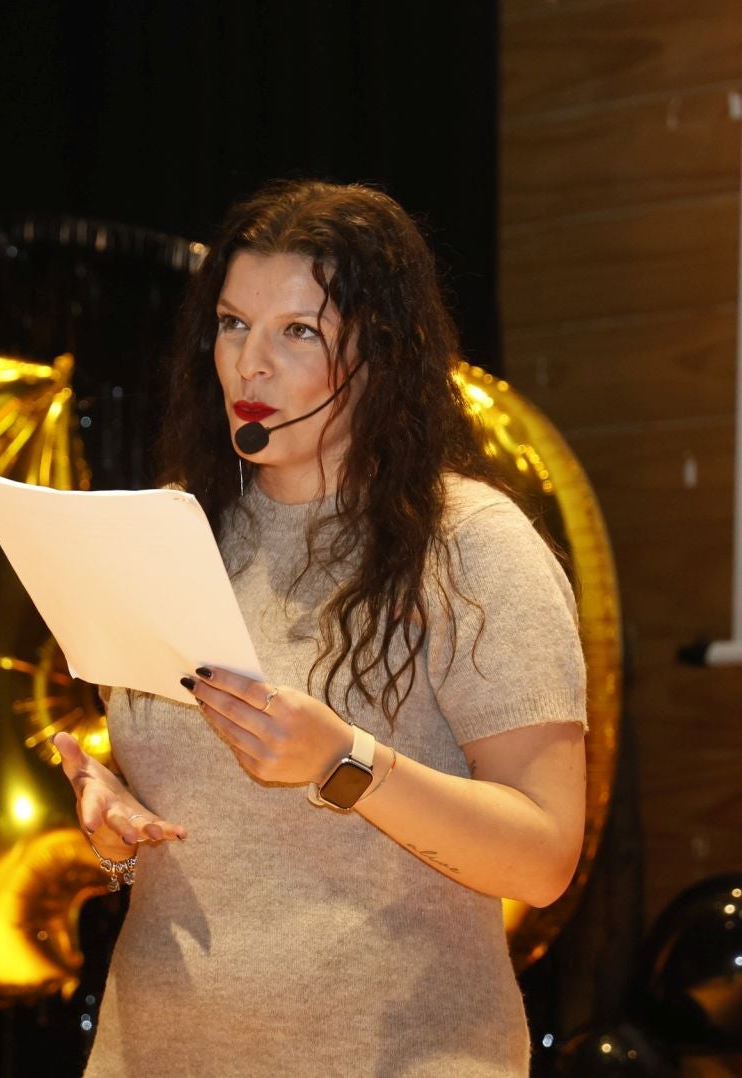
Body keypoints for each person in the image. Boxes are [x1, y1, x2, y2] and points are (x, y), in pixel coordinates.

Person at [49, 180, 588, 1077]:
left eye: (296, 332)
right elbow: (206, 836)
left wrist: (347, 763)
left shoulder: (472, 547)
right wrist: (114, 826)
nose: (248, 366)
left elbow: (542, 861)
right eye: (231, 325)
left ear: (383, 354)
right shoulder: (173, 536)